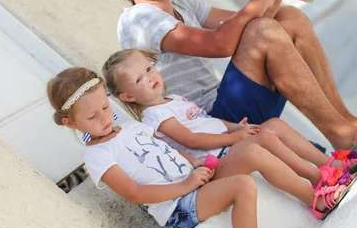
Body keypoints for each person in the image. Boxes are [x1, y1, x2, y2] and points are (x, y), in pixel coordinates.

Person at [47, 66, 297, 228]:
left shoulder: (132, 128)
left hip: (194, 180)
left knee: (251, 149)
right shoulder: (98, 155)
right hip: (178, 206)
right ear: (71, 123)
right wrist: (185, 185)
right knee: (243, 186)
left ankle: (316, 193)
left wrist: (193, 161)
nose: (103, 117)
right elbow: (133, 192)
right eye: (92, 117)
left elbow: (165, 150)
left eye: (105, 107)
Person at [102, 0, 357, 150]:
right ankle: (343, 135)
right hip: (210, 126)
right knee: (264, 30)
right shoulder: (139, 19)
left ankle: (346, 125)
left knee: (289, 18)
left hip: (230, 106)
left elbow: (248, 24)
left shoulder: (179, 0)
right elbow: (221, 44)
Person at [102, 48, 355, 219]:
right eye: (138, 80)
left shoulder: (173, 99)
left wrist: (236, 128)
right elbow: (193, 140)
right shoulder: (154, 116)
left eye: (148, 69)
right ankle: (317, 185)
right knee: (264, 139)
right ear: (127, 97)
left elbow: (208, 122)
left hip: (227, 146)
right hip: (215, 163)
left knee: (273, 125)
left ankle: (332, 164)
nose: (148, 78)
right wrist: (234, 138)